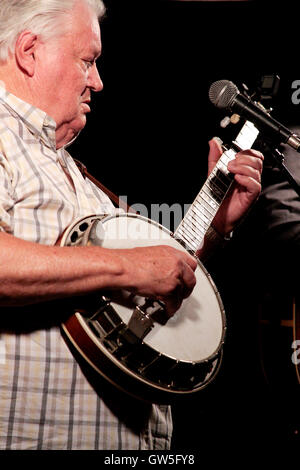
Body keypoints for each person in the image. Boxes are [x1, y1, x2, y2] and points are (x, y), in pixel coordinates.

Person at [0, 0, 263, 450]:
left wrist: (213, 227)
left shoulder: (77, 176)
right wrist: (127, 267)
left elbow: (148, 286)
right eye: (89, 61)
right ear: (29, 51)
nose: (98, 82)